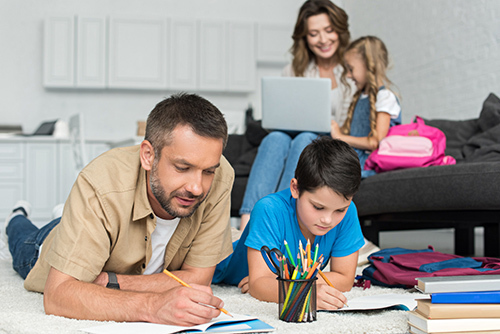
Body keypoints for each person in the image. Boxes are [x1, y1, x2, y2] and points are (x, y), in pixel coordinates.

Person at [2, 93, 235, 326]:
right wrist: (153, 306)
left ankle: (58, 214)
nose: (196, 188)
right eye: (183, 168)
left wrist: (108, 281)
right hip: (45, 245)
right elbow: (59, 294)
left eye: (208, 172)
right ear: (148, 156)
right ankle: (16, 216)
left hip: (95, 236)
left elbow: (198, 279)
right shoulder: (100, 183)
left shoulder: (221, 175)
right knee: (22, 240)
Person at [239, 0, 355, 231]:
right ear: (304, 37)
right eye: (314, 33)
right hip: (295, 136)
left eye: (329, 31)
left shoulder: (354, 68)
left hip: (333, 142)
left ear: (340, 30)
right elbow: (284, 114)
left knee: (306, 138)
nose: (323, 39)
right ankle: (247, 226)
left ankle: (284, 218)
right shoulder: (294, 70)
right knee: (275, 138)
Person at [213, 136, 365, 310]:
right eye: (317, 207)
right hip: (223, 260)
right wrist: (304, 292)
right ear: (295, 188)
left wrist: (282, 284)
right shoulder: (268, 209)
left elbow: (345, 279)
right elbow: (259, 285)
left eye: (340, 210)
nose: (328, 220)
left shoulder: (349, 210)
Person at [330, 36, 402, 178]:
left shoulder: (385, 97)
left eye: (351, 69)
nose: (349, 75)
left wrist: (340, 137)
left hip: (369, 166)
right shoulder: (361, 97)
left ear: (370, 66)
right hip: (353, 161)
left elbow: (375, 142)